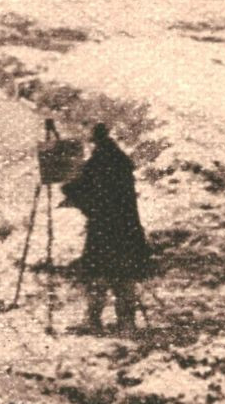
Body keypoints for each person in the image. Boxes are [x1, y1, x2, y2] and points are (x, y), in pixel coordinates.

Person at [59, 123, 154, 333]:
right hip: (127, 226)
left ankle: (94, 321)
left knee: (97, 273)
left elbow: (78, 188)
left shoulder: (98, 161)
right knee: (125, 273)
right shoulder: (121, 160)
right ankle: (127, 322)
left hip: (103, 227)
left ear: (95, 141)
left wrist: (66, 185)